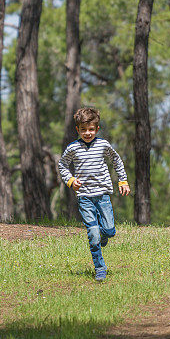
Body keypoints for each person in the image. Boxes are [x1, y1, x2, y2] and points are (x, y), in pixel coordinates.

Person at [58, 107, 131, 281]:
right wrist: (70, 180)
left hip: (103, 195)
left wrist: (123, 181)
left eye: (91, 129)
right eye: (83, 130)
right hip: (84, 197)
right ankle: (100, 267)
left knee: (110, 230)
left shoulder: (103, 145)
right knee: (93, 234)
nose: (87, 133)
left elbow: (116, 160)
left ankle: (103, 235)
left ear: (97, 128)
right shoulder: (73, 148)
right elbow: (62, 165)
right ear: (78, 130)